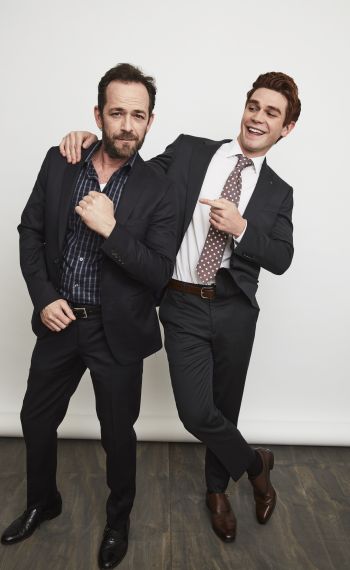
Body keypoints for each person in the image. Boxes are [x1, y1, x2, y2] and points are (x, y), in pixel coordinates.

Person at [58, 71, 301, 543]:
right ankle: (256, 463)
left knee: (223, 410)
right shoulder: (192, 151)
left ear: (286, 128)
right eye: (254, 106)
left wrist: (242, 229)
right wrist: (94, 144)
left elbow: (283, 258)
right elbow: (135, 169)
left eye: (272, 113)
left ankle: (216, 492)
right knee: (196, 412)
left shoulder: (278, 192)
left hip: (234, 311)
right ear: (245, 108)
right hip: (183, 302)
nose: (257, 118)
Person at [1, 63, 177, 569]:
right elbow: (29, 231)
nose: (127, 124)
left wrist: (111, 230)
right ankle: (42, 501)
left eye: (137, 115)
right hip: (60, 320)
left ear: (150, 121)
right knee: (35, 419)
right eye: (117, 112)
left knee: (117, 434)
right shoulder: (61, 162)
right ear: (97, 114)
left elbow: (159, 273)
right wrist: (41, 296)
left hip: (116, 331)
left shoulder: (160, 190)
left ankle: (117, 521)